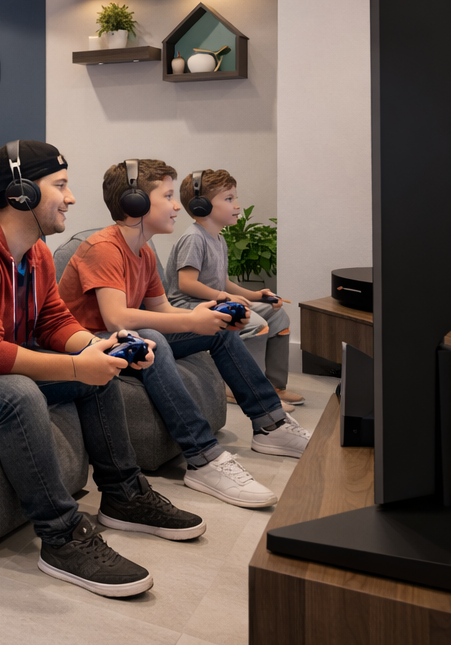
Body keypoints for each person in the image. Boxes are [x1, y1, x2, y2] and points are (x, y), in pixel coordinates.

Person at [0, 140, 205, 599]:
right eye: (60, 185)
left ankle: (125, 497)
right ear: (21, 192)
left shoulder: (37, 251)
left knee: (98, 372)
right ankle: (62, 538)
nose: (71, 197)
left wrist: (102, 347)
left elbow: (53, 322)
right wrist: (74, 366)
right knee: (18, 394)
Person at [58, 159, 311, 510]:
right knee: (152, 335)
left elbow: (162, 309)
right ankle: (203, 458)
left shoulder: (144, 251)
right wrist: (191, 322)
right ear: (136, 203)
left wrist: (205, 317)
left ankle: (271, 425)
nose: (178, 206)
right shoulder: (104, 248)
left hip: (125, 337)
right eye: (168, 196)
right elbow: (116, 319)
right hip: (92, 343)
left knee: (217, 329)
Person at [166, 169, 302, 406]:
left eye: (235, 198)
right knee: (255, 324)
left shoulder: (218, 238)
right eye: (229, 199)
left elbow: (223, 282)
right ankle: (246, 389)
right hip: (188, 305)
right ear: (202, 206)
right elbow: (186, 283)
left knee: (277, 315)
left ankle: (274, 386)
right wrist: (223, 297)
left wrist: (257, 295)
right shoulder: (194, 238)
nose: (237, 205)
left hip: (213, 299)